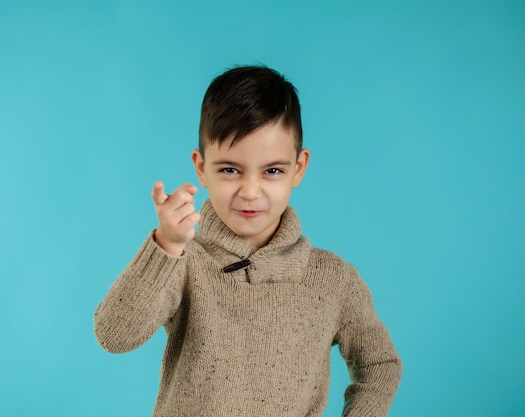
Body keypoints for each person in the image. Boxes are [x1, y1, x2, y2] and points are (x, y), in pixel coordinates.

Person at [94, 65, 402, 417]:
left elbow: (380, 365)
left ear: (298, 168)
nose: (250, 191)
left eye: (272, 170)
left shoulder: (332, 279)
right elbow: (114, 335)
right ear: (201, 167)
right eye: (229, 169)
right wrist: (165, 245)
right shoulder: (184, 263)